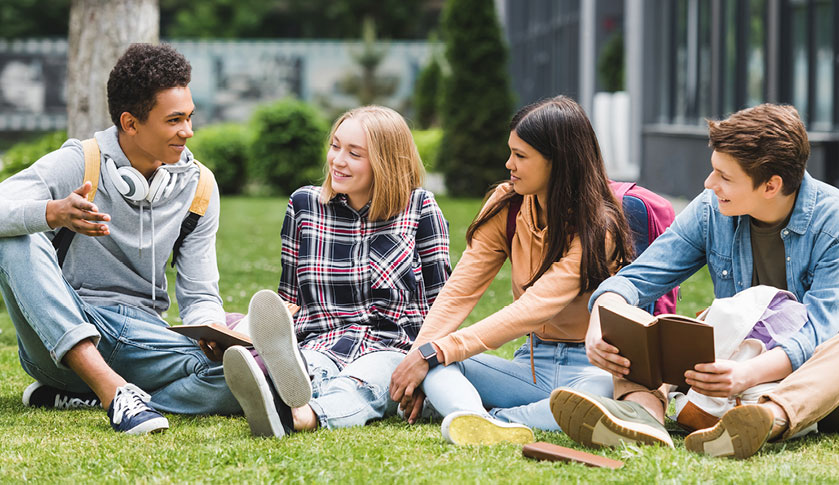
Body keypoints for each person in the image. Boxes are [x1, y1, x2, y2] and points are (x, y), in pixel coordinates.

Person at [550, 103, 839, 459]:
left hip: (826, 385)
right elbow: (638, 279)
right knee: (642, 323)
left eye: (724, 176)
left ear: (771, 185)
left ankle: (766, 419)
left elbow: (817, 330)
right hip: (731, 371)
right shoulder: (710, 210)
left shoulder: (837, 220)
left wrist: (746, 375)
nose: (709, 183)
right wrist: (602, 317)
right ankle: (642, 417)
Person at [0, 43, 241, 434]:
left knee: (241, 373)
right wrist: (51, 213)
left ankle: (103, 395)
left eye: (190, 117)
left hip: (143, 341)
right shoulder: (79, 162)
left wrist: (211, 329)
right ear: (130, 123)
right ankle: (113, 393)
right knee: (15, 235)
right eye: (174, 120)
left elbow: (199, 296)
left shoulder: (200, 186)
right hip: (64, 336)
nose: (188, 132)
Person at [389, 95, 637, 445]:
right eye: (511, 152)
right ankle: (476, 418)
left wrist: (441, 349)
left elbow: (534, 307)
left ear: (559, 162)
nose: (509, 164)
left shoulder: (601, 227)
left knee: (596, 398)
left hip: (590, 367)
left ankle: (490, 420)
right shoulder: (508, 205)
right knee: (434, 367)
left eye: (521, 156)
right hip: (530, 366)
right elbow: (460, 290)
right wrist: (421, 355)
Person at [220, 105, 452, 438]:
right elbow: (289, 300)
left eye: (354, 153)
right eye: (335, 146)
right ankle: (285, 388)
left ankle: (302, 415)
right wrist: (242, 333)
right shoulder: (304, 205)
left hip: (392, 346)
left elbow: (442, 303)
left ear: (385, 162)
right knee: (310, 370)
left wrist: (425, 366)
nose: (337, 160)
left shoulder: (420, 207)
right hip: (322, 339)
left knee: (360, 383)